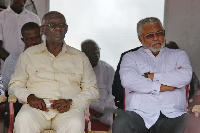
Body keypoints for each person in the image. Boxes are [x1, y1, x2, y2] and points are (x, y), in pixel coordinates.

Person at [8, 11, 99, 133]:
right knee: (23, 120)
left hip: (69, 111)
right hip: (35, 109)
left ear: (66, 29)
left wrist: (72, 102)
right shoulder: (28, 55)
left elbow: (92, 90)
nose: (58, 28)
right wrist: (29, 97)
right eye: (52, 25)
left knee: (75, 124)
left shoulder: (80, 57)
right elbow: (15, 85)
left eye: (62, 25)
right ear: (43, 30)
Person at [111, 17, 195, 133]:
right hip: (139, 115)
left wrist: (151, 76)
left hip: (174, 115)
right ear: (141, 39)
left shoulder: (178, 55)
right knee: (121, 121)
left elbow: (185, 76)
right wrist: (164, 87)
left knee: (192, 122)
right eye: (150, 35)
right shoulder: (130, 57)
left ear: (164, 33)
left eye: (159, 33)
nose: (156, 38)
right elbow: (128, 80)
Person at [81, 39, 116, 128]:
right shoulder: (76, 70)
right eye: (91, 50)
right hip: (84, 113)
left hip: (106, 113)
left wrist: (103, 109)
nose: (95, 52)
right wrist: (91, 110)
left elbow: (113, 94)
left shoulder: (108, 69)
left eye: (97, 49)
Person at [2, 22, 42, 92]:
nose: (34, 42)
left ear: (41, 37)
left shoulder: (48, 57)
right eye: (29, 39)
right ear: (23, 40)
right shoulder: (13, 59)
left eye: (37, 38)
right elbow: (5, 85)